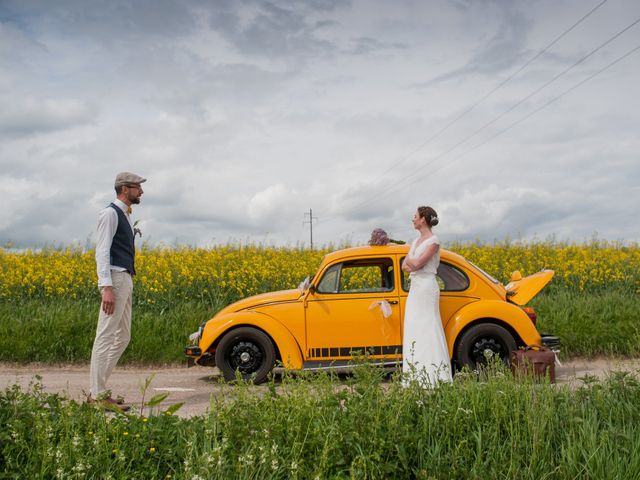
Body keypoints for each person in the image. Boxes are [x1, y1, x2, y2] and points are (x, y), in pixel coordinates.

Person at [89, 172, 146, 410]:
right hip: (115, 279)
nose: (141, 192)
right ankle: (98, 396)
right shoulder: (110, 213)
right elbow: (101, 251)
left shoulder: (123, 215)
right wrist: (106, 287)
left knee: (123, 337)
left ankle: (100, 389)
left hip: (124, 278)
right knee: (105, 335)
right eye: (137, 187)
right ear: (125, 189)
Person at [401, 206, 452, 386]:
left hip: (426, 287)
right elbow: (405, 266)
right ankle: (415, 376)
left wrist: (411, 262)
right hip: (415, 288)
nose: (412, 219)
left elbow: (417, 263)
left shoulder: (434, 241)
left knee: (428, 327)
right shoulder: (415, 242)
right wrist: (411, 263)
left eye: (415, 216)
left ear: (423, 219)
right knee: (414, 327)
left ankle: (434, 376)